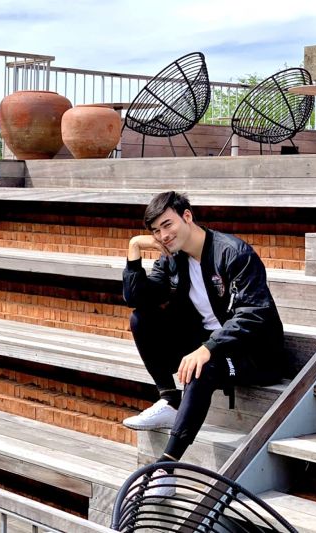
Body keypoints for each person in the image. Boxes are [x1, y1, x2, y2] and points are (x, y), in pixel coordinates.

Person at [121, 191, 285, 497]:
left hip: (254, 353)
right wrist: (134, 250)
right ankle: (170, 400)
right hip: (208, 343)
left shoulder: (233, 253)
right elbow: (137, 298)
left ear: (187, 216)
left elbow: (254, 313)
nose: (163, 236)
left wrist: (208, 348)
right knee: (141, 320)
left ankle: (166, 468)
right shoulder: (172, 259)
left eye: (167, 225)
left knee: (203, 365)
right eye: (156, 230)